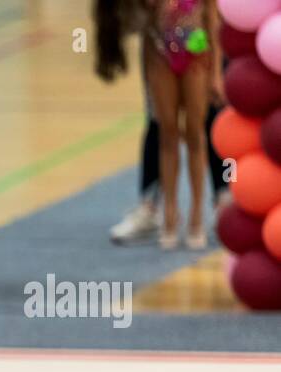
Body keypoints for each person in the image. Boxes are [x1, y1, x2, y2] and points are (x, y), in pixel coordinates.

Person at [96, 0, 226, 247]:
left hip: (196, 51)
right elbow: (129, 20)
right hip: (159, 52)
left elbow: (212, 16)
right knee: (165, 132)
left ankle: (198, 216)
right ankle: (167, 214)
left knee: (196, 133)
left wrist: (217, 73)